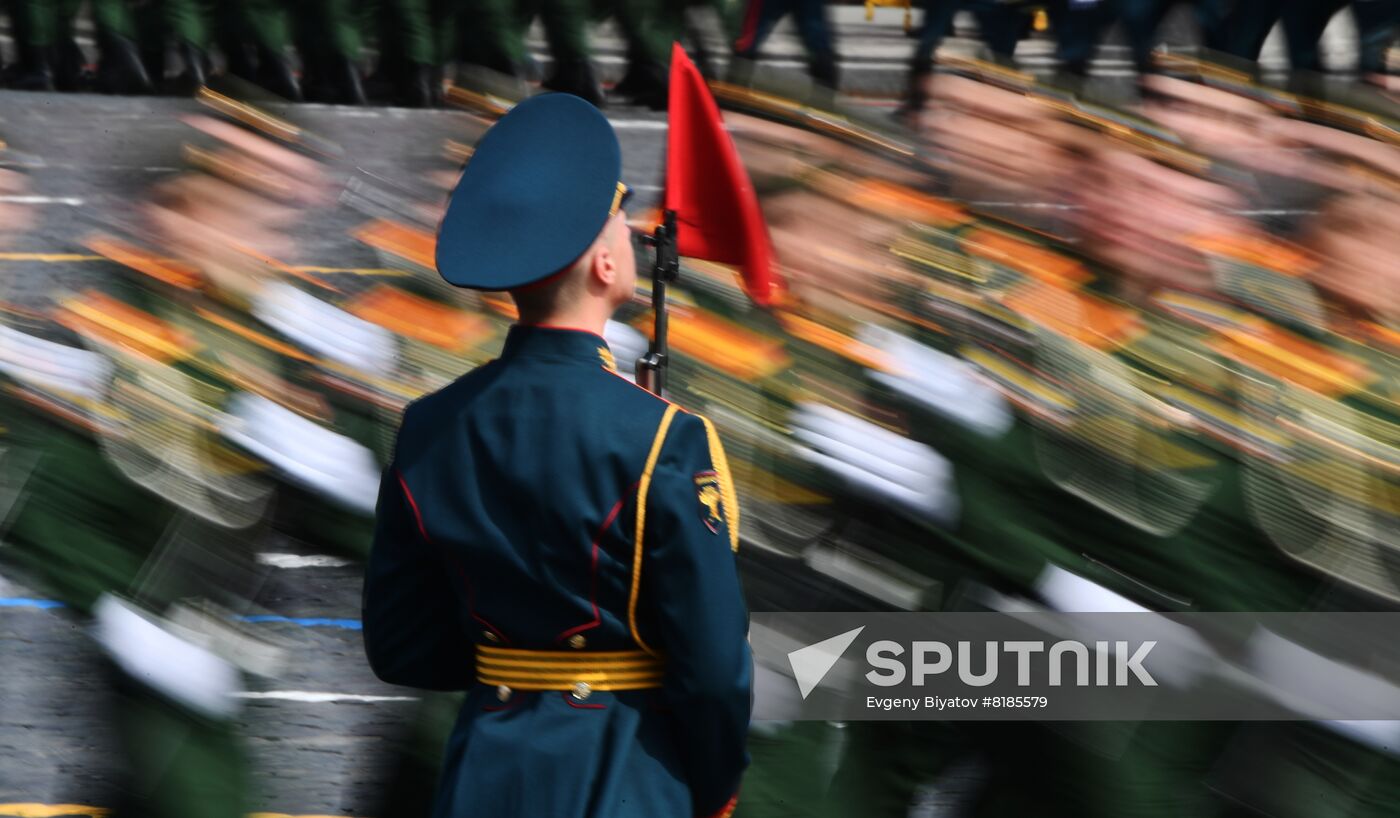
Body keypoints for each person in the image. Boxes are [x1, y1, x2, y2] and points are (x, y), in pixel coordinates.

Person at [362, 92, 753, 818]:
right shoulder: (665, 436)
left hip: (483, 772)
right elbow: (712, 666)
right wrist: (717, 784)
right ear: (605, 266)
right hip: (624, 770)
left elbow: (403, 648)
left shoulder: (429, 425)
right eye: (625, 230)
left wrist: (522, 654)